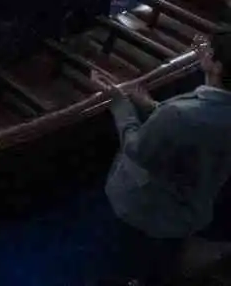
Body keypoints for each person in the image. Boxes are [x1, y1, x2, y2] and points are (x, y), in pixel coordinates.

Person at [96, 28, 231, 285]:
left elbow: (137, 149)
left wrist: (119, 104)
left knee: (131, 263)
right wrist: (154, 108)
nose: (202, 51)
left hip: (148, 209)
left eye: (209, 51)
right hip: (194, 206)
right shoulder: (184, 114)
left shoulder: (178, 115)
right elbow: (208, 127)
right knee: (166, 260)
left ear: (217, 66)